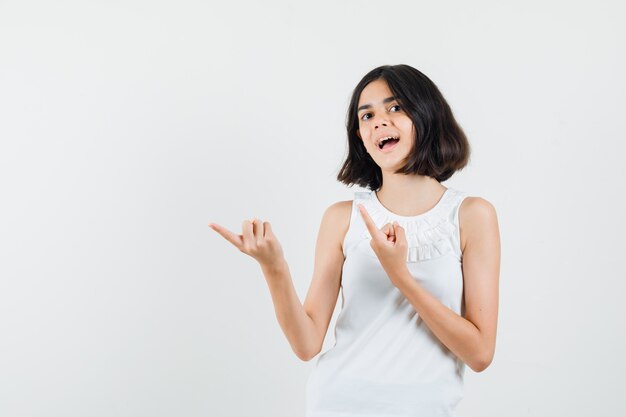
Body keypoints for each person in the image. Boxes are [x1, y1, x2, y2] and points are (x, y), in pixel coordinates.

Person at [208, 64, 500, 417]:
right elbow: (307, 343)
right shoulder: (340, 218)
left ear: (427, 117)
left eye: (395, 108)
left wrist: (401, 277)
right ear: (360, 136)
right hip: (338, 403)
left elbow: (480, 354)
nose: (379, 121)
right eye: (367, 115)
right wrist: (274, 268)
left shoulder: (472, 215)